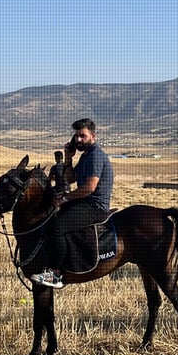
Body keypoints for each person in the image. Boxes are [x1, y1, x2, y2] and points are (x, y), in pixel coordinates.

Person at [30, 118, 114, 289]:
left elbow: (90, 187)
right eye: (76, 136)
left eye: (82, 136)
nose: (78, 140)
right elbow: (70, 178)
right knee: (52, 215)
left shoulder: (95, 155)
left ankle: (56, 274)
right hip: (85, 202)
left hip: (95, 206)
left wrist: (66, 198)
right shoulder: (86, 156)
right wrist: (68, 159)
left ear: (93, 136)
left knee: (57, 227)